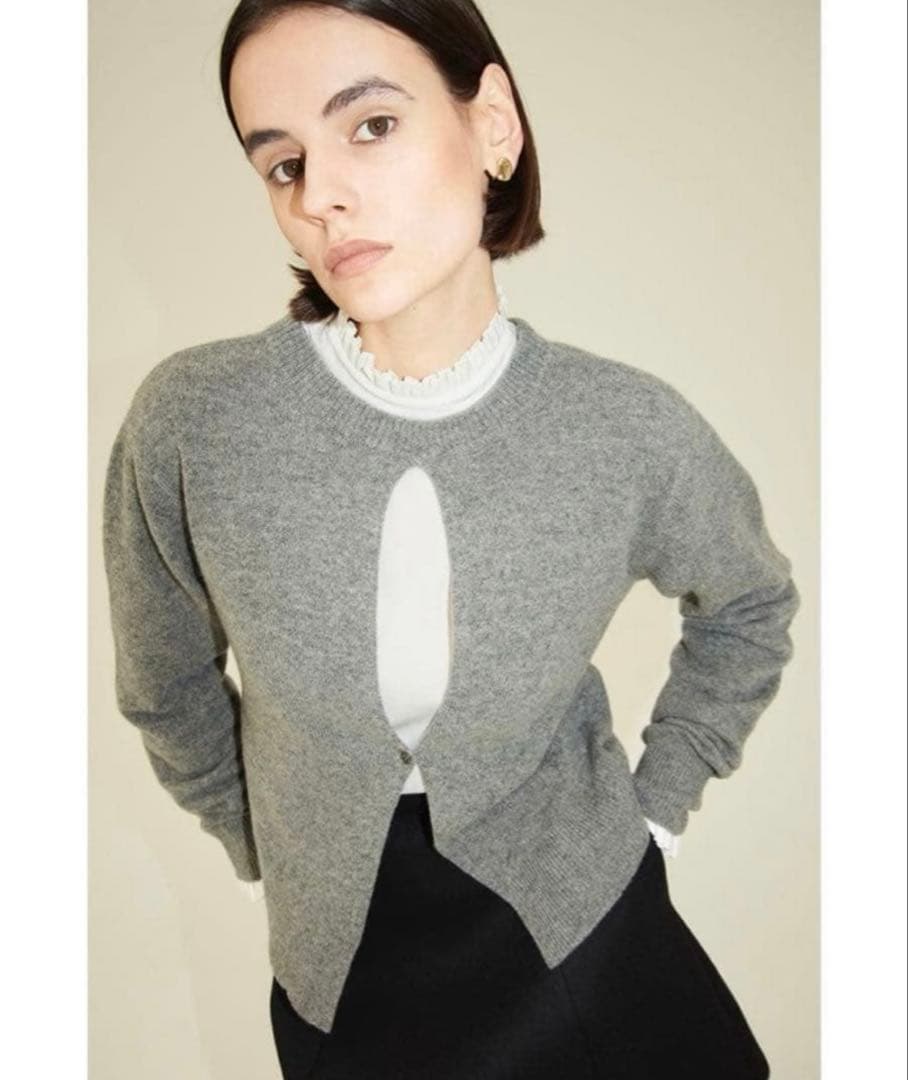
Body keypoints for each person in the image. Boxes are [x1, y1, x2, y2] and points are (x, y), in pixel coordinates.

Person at [102, 1, 800, 1076]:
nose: (319, 195)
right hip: (346, 975)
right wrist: (263, 846)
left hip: (588, 940)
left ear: (493, 125)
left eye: (371, 125)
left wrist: (656, 809)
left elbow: (750, 607)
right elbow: (165, 685)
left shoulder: (625, 427)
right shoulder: (196, 422)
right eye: (282, 163)